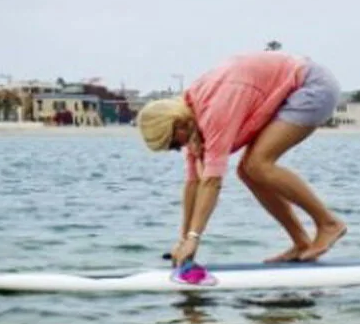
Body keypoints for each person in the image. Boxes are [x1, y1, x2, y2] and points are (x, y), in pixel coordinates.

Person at [135, 51, 348, 285]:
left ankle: (329, 223)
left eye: (174, 143)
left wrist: (194, 238)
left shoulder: (214, 111)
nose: (179, 149)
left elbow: (212, 181)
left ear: (178, 124)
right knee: (247, 171)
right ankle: (301, 243)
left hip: (311, 87)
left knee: (257, 164)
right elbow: (194, 182)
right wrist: (184, 239)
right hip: (288, 91)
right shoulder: (191, 117)